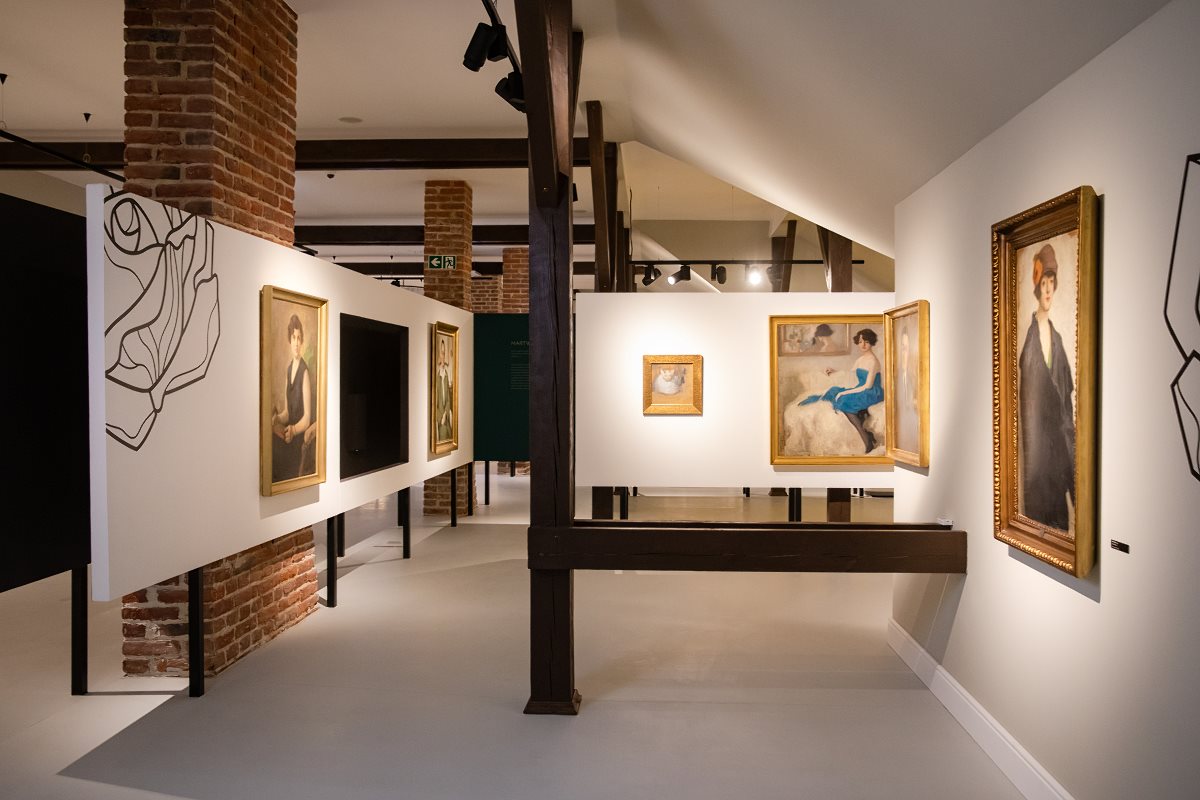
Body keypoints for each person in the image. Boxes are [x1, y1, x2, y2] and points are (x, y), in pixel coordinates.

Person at [1018, 243, 1075, 531]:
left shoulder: (1058, 341)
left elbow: (1067, 405)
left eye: (1052, 282)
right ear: (1037, 286)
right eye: (1044, 283)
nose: (1049, 289)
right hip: (1039, 470)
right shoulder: (1030, 345)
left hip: (1059, 465)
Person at [797, 328, 884, 452]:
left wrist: (844, 392)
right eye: (860, 342)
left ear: (871, 342)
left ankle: (866, 439)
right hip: (861, 389)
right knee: (834, 391)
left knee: (843, 400)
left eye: (866, 341)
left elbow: (868, 386)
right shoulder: (860, 360)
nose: (863, 345)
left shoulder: (873, 361)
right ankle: (865, 428)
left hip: (872, 392)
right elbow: (850, 373)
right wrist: (835, 371)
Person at [272, 314, 314, 481]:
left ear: (301, 341)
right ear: (289, 340)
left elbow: (307, 418)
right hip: (287, 436)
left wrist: (294, 430)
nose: (296, 342)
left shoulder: (304, 372)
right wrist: (276, 419)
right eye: (293, 337)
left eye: (299, 338)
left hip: (298, 440)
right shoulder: (289, 370)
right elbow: (287, 413)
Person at [435, 338, 453, 442]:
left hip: (445, 416)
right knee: (443, 436)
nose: (443, 355)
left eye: (444, 352)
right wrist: (440, 417)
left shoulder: (446, 375)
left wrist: (446, 414)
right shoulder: (435, 376)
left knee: (449, 435)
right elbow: (433, 403)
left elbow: (448, 400)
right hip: (439, 418)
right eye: (441, 352)